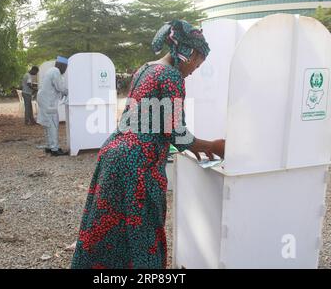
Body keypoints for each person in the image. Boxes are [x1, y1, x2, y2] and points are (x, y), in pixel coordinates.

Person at [71, 20, 225, 269]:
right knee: (143, 232)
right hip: (138, 165)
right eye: (198, 61)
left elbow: (152, 120)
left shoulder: (146, 69)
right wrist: (215, 147)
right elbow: (178, 134)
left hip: (114, 153)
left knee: (109, 228)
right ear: (189, 52)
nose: (195, 68)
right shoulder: (172, 76)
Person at [37, 56, 69, 157]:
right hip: (48, 101)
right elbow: (60, 87)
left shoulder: (51, 70)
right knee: (53, 123)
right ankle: (55, 149)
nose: (65, 70)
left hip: (44, 99)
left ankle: (49, 146)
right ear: (61, 65)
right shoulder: (56, 71)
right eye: (65, 67)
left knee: (47, 123)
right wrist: (68, 92)